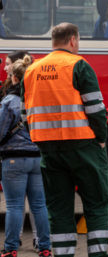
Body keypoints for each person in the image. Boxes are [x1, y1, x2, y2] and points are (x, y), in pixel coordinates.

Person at [21, 23, 108, 257]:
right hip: (84, 147)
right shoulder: (78, 65)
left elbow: (24, 114)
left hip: (49, 151)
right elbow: (96, 109)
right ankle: (99, 254)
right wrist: (101, 138)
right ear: (73, 40)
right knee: (97, 203)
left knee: (59, 209)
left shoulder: (32, 70)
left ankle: (63, 254)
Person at [0, 55, 51, 257]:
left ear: (14, 78)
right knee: (39, 205)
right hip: (38, 158)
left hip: (13, 160)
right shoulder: (39, 99)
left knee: (14, 205)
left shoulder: (9, 101)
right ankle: (45, 246)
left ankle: (11, 248)